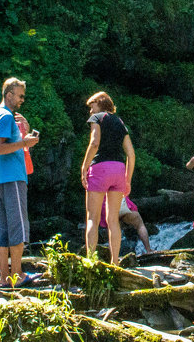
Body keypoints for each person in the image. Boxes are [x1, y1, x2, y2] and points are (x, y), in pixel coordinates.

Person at [0, 78, 40, 288]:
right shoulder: (5, 116)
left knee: (3, 228)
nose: (22, 100)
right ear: (9, 95)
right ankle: (17, 274)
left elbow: (7, 145)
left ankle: (4, 278)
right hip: (12, 177)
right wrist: (26, 142)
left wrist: (23, 135)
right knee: (17, 225)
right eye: (19, 96)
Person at [79, 91, 134, 266]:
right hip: (118, 170)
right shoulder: (120, 122)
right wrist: (128, 180)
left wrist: (84, 166)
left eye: (92, 106)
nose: (90, 111)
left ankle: (91, 262)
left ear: (100, 104)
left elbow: (95, 143)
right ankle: (115, 263)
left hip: (100, 169)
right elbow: (131, 155)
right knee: (113, 221)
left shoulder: (97, 118)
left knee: (92, 219)